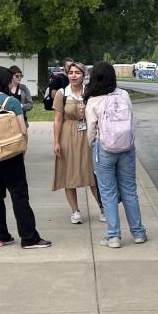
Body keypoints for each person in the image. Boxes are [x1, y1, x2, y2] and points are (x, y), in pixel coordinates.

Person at [0, 66, 51, 248]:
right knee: (19, 194)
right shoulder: (12, 102)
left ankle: (0, 235)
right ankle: (29, 237)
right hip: (11, 154)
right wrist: (23, 148)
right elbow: (22, 130)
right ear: (7, 81)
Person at [85, 61, 146, 248]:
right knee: (129, 190)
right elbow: (131, 119)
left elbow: (91, 130)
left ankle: (113, 237)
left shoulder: (93, 100)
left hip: (104, 149)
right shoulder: (124, 95)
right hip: (127, 147)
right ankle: (138, 233)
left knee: (108, 192)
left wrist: (92, 146)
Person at [53, 61, 104, 224]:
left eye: (77, 72)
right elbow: (57, 119)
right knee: (68, 173)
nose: (73, 75)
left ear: (84, 75)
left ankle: (103, 209)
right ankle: (75, 211)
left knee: (93, 174)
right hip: (68, 133)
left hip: (88, 133)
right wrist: (56, 142)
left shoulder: (90, 92)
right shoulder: (63, 93)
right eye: (71, 72)